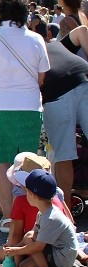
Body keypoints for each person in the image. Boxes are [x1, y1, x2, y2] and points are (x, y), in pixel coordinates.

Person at [0, 0, 48, 228]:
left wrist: (0, 92)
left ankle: (8, 217)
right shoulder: (36, 39)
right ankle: (32, 218)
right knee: (30, 163)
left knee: (1, 161)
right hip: (29, 107)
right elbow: (41, 78)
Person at [0, 170, 78, 267]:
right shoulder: (43, 212)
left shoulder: (51, 217)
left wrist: (16, 251)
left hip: (62, 258)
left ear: (33, 195)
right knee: (28, 243)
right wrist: (13, 250)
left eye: (27, 192)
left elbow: (38, 247)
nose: (25, 196)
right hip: (56, 252)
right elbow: (32, 236)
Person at [39, 30, 88, 196]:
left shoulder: (28, 55)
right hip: (83, 79)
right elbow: (82, 31)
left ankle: (66, 216)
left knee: (63, 156)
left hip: (55, 92)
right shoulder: (56, 44)